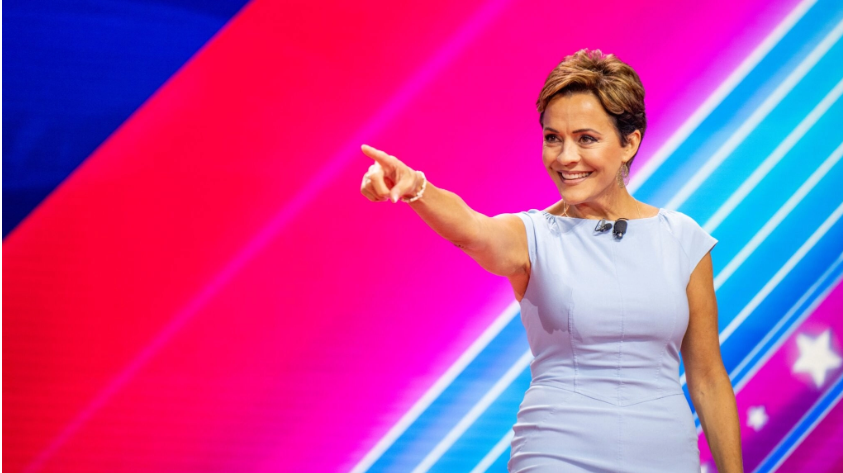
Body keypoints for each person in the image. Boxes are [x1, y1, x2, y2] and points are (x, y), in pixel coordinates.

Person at [359, 49, 743, 472]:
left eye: (586, 138)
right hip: (556, 455)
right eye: (552, 137)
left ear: (629, 142)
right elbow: (472, 229)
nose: (565, 157)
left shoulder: (682, 238)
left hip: (664, 455)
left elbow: (707, 377)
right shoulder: (532, 236)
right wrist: (416, 189)